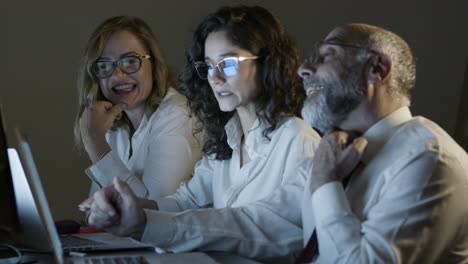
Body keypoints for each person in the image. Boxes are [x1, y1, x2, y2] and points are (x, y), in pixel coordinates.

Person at [85, 5, 320, 261]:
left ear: (268, 63)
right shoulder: (229, 138)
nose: (215, 78)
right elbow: (184, 202)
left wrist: (144, 223)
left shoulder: (297, 138)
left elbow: (283, 233)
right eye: (208, 66)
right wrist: (127, 208)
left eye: (227, 63)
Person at [297, 23, 468, 263]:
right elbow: (285, 227)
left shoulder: (431, 160)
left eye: (326, 55)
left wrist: (326, 183)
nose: (303, 70)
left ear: (377, 68)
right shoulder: (332, 154)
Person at [74, 16, 203, 206]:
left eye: (129, 61)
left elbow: (152, 211)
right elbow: (97, 207)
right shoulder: (115, 125)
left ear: (154, 64)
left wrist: (96, 145)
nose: (118, 75)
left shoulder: (179, 114)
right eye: (105, 65)